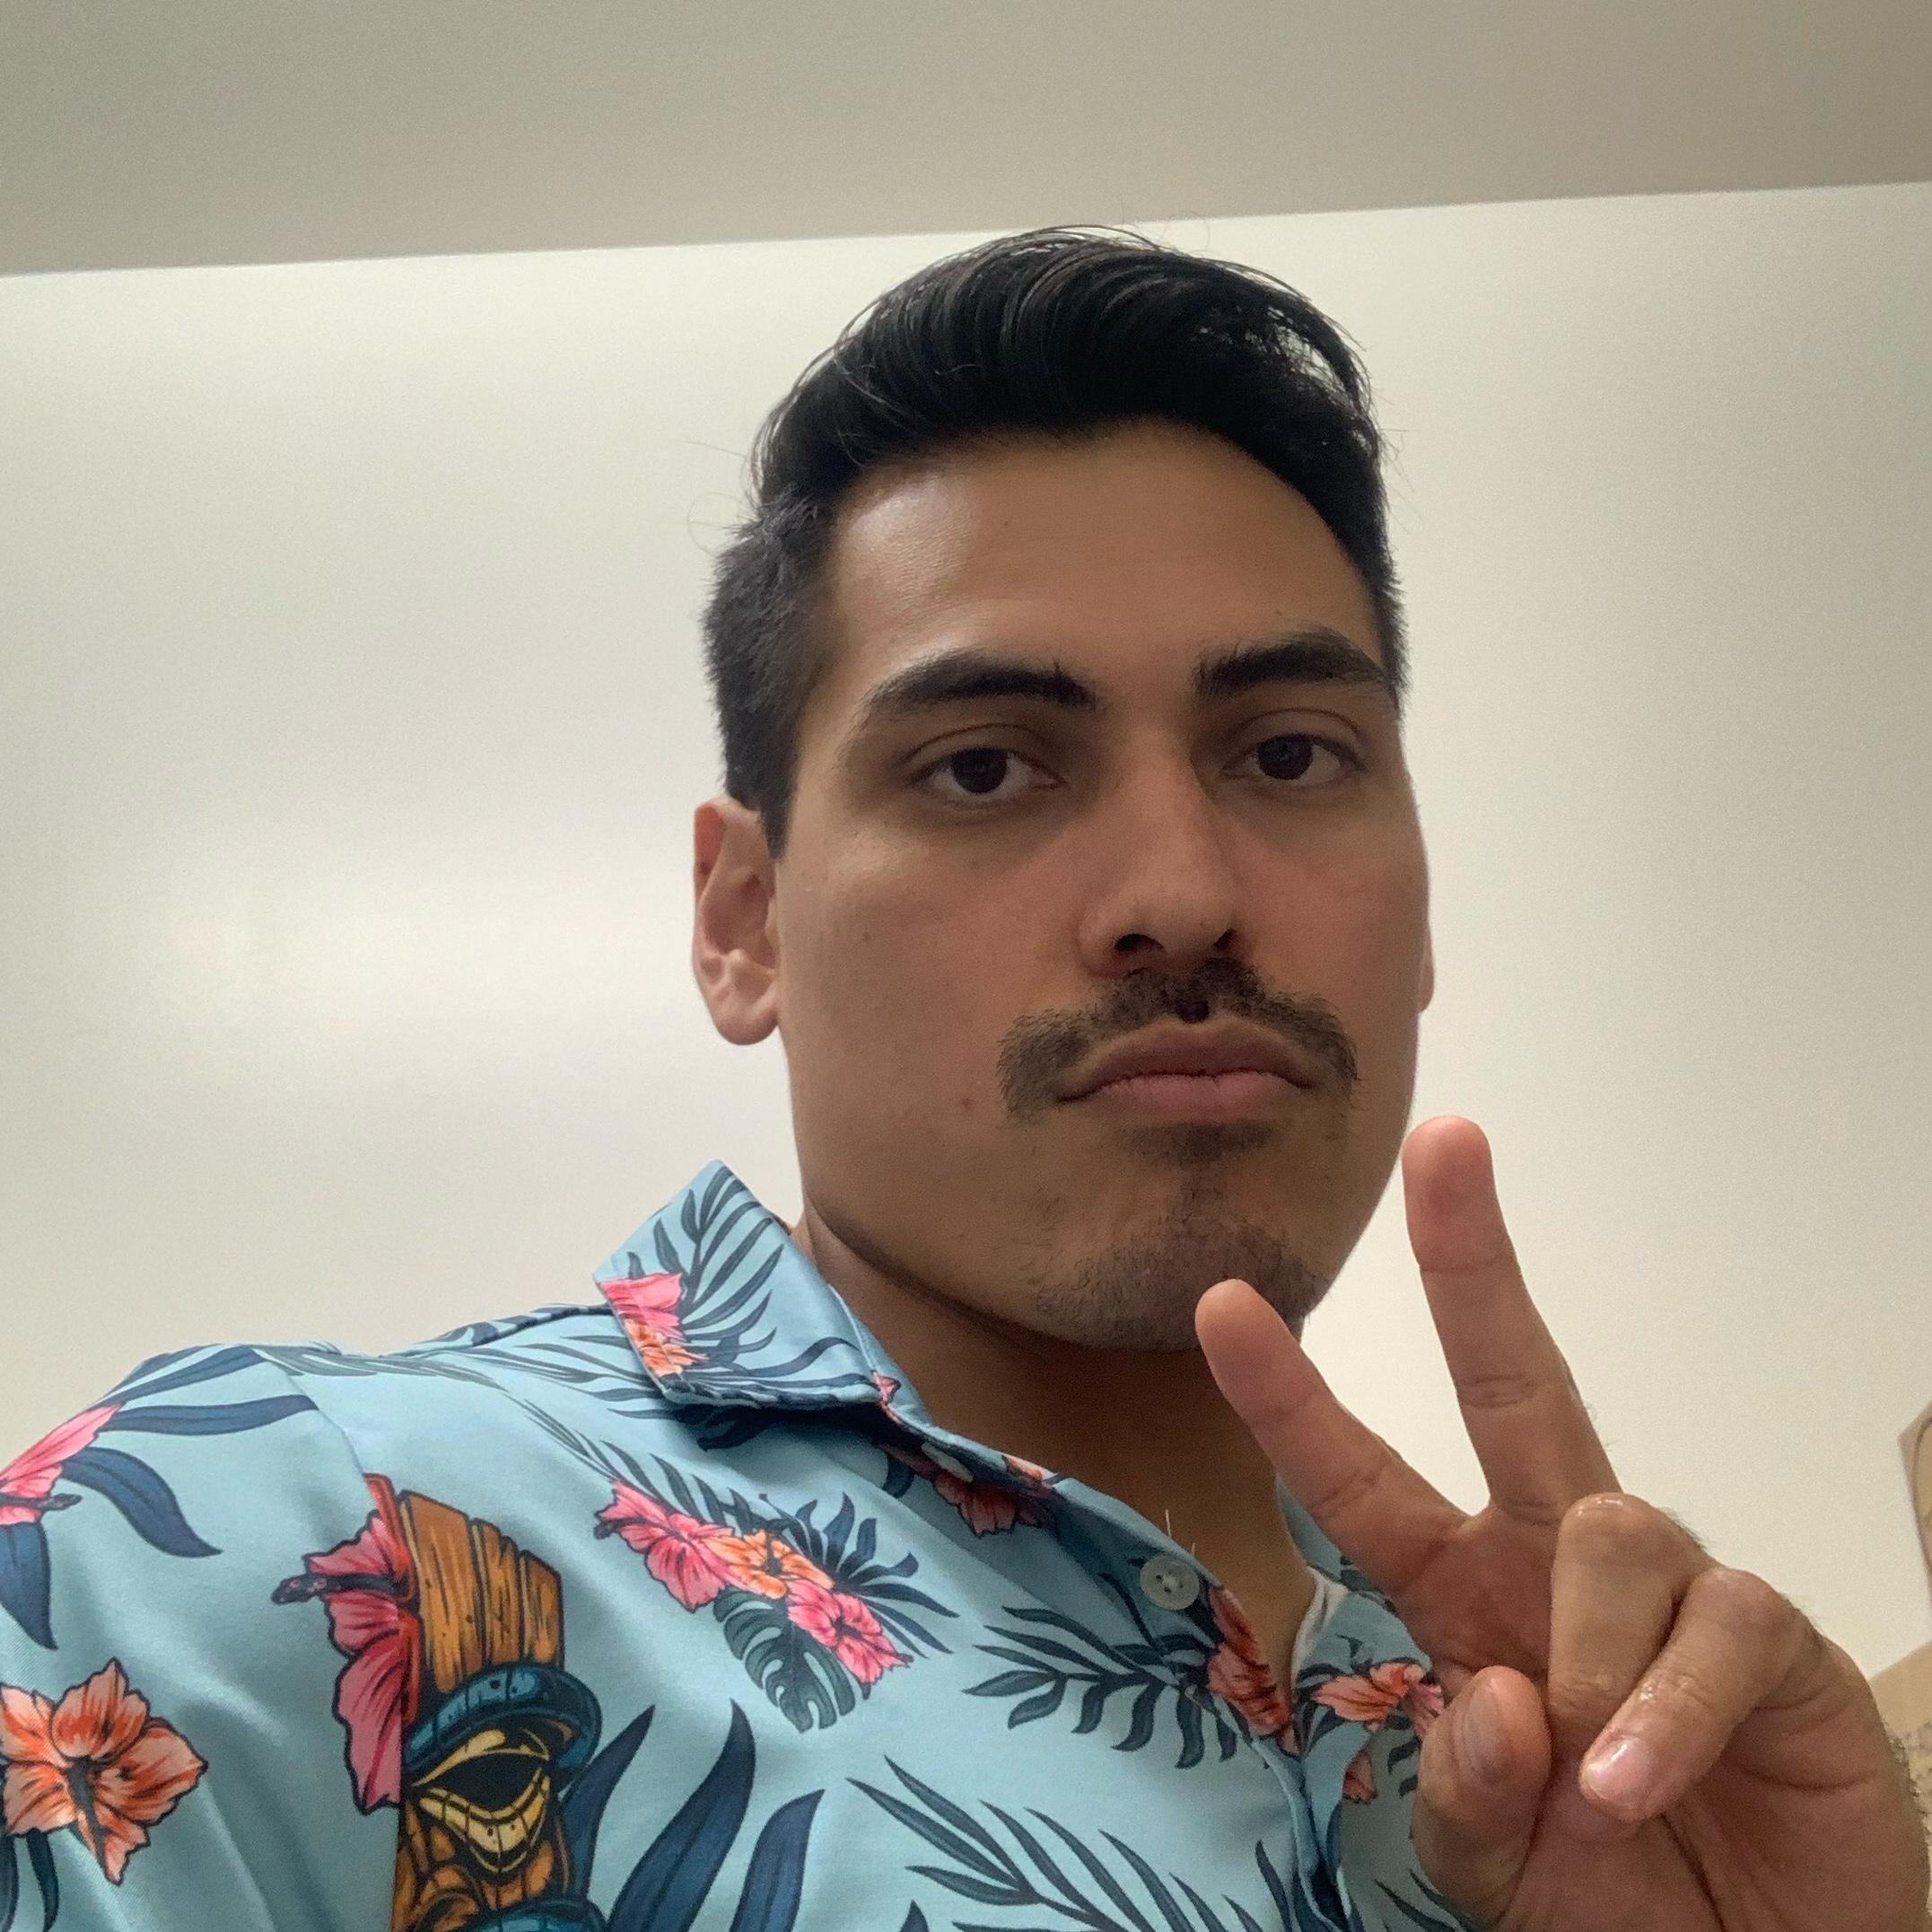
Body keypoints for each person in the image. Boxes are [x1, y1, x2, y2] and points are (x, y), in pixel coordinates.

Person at [0, 228, 1923, 1932]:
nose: (1183, 894)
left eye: (1288, 753)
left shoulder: (1557, 1753)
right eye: (985, 766)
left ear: (1421, 906)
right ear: (744, 920)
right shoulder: (245, 1553)